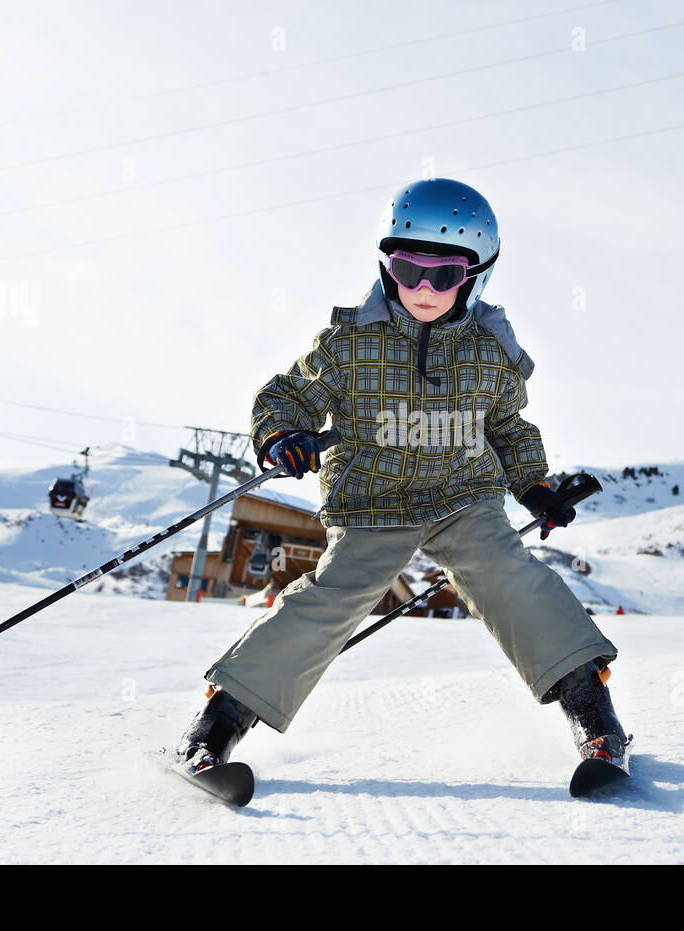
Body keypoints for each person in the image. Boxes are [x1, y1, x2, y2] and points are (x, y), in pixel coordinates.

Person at [176, 178, 630, 780]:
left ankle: (596, 721)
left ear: (475, 277)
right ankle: (215, 730)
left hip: (462, 495)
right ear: (386, 263)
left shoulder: (490, 353)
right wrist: (284, 435)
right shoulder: (350, 342)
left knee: (511, 579)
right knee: (328, 601)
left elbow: (507, 429)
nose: (422, 287)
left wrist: (536, 489)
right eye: (406, 267)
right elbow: (287, 396)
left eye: (442, 275)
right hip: (372, 501)